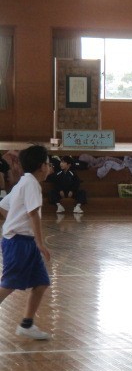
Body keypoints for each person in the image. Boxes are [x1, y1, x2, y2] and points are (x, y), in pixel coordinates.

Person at [0, 145, 53, 340]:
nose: (49, 167)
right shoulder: (30, 184)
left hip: (25, 241)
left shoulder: (24, 182)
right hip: (18, 242)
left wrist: (13, 220)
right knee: (8, 285)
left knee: (41, 283)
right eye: (48, 164)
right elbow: (33, 214)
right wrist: (40, 242)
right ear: (41, 166)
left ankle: (27, 325)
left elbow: (3, 205)